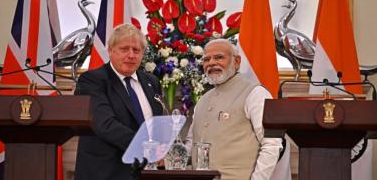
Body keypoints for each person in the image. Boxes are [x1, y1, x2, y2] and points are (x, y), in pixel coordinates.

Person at [74, 23, 163, 180]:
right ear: (110, 50)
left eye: (136, 50)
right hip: (105, 173)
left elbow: (156, 124)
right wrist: (147, 148)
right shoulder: (92, 80)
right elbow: (105, 125)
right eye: (124, 49)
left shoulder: (152, 82)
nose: (131, 55)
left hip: (147, 173)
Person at [185, 39, 282, 180]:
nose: (211, 63)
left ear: (236, 62)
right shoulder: (202, 100)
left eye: (219, 57)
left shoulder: (255, 93)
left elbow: (271, 144)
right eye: (206, 59)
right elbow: (191, 144)